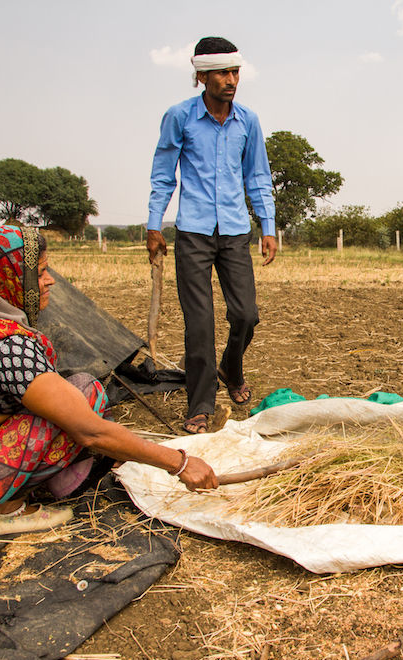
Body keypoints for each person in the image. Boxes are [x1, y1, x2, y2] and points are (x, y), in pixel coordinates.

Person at [0, 225, 219, 537]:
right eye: (40, 272)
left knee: (84, 385)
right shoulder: (10, 348)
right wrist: (180, 463)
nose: (49, 281)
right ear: (9, 278)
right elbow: (92, 431)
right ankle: (6, 511)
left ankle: (49, 482)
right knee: (84, 406)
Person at [146, 36, 277, 435]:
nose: (231, 80)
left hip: (235, 231)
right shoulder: (179, 117)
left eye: (235, 72)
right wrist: (154, 223)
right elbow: (163, 172)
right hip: (193, 233)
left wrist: (267, 227)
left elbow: (257, 175)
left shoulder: (248, 121)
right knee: (199, 323)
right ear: (202, 76)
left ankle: (231, 368)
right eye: (222, 72)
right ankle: (200, 404)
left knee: (246, 315)